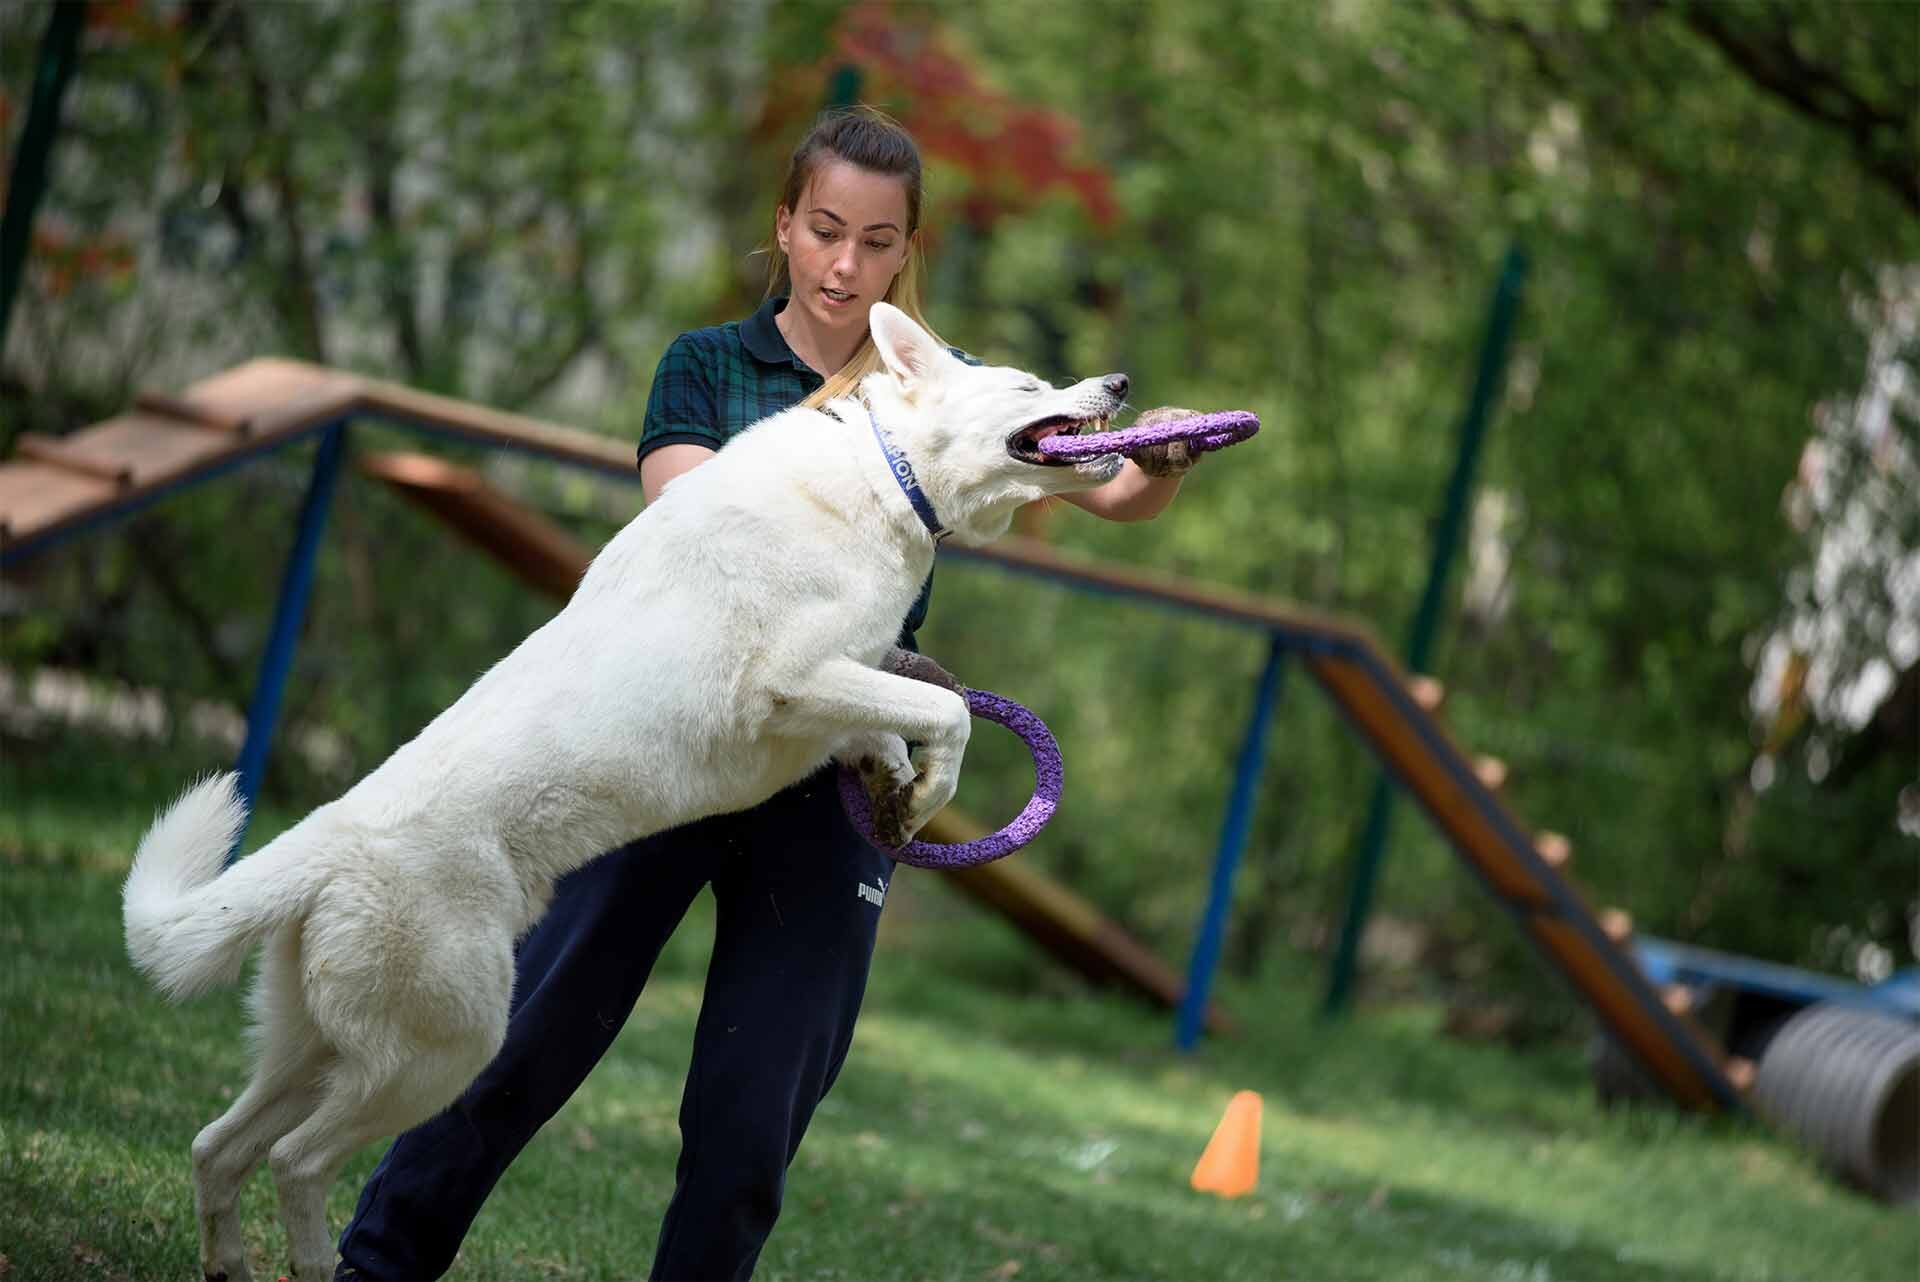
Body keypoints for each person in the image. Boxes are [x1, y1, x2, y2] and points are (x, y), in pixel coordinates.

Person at [334, 106, 1197, 1282]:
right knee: (520, 1050)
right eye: (827, 230)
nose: (847, 265)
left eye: (878, 242)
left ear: (906, 254)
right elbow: (695, 536)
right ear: (784, 226)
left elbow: (1100, 494)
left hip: (832, 779)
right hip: (667, 756)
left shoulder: (939, 388)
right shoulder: (712, 368)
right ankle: (371, 1269)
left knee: (750, 1128)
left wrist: (1150, 464)